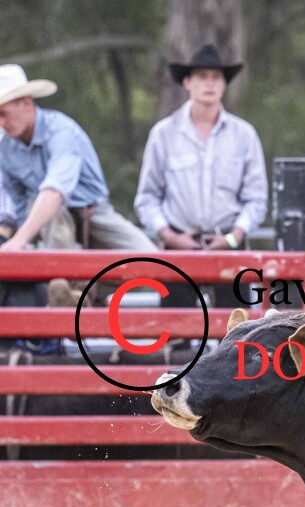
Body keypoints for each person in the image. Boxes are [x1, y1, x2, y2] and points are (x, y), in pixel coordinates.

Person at [135, 44, 268, 309]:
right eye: (202, 76)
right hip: (178, 248)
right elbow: (147, 197)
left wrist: (232, 238)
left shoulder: (244, 135)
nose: (209, 83)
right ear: (187, 82)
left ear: (224, 84)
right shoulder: (164, 133)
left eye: (216, 77)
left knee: (235, 328)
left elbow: (256, 198)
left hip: (229, 247)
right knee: (175, 329)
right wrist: (170, 237)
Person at [0, 63, 155, 254]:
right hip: (48, 227)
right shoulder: (5, 149)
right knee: (51, 214)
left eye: (3, 114)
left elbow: (55, 192)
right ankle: (56, 272)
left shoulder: (60, 131)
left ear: (26, 102)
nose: (1, 123)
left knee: (151, 258)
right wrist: (23, 243)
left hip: (93, 214)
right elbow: (20, 205)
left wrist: (20, 239)